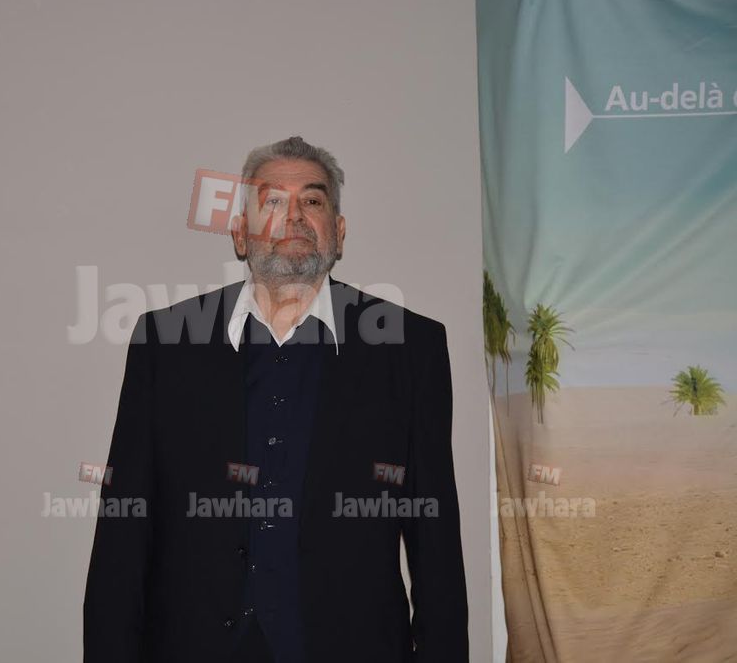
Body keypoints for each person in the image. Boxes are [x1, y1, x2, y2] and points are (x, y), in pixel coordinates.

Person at [84, 136, 468, 662]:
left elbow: (435, 540)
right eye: (273, 202)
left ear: (339, 232)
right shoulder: (165, 345)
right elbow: (122, 535)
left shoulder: (411, 349)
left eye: (312, 200)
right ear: (240, 233)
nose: (294, 216)